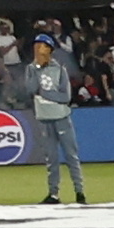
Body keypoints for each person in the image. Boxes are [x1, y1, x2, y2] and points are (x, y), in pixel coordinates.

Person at [21, 31, 88, 205]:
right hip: (44, 118)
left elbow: (65, 97)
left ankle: (79, 192)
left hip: (61, 117)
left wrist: (45, 93)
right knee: (51, 158)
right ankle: (53, 193)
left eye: (42, 46)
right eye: (36, 47)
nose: (38, 50)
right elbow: (30, 89)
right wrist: (37, 68)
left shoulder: (59, 69)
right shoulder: (30, 69)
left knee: (71, 156)